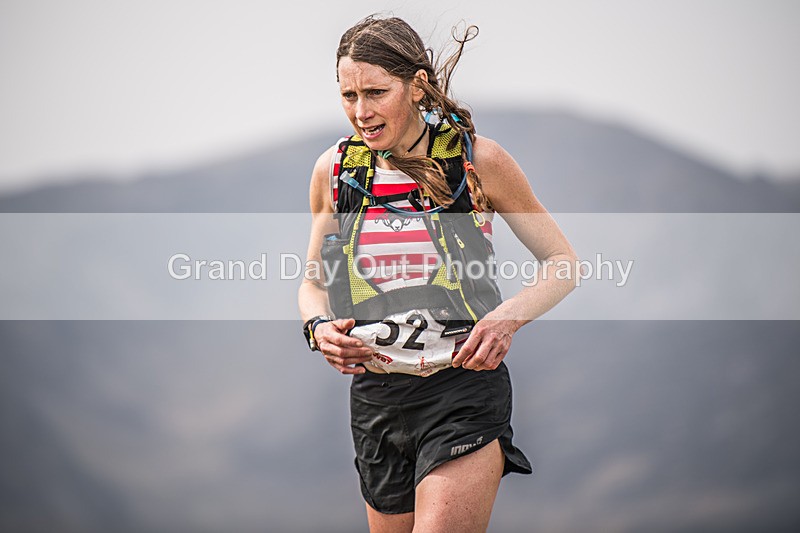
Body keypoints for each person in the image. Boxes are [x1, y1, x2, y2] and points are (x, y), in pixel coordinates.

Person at [298, 15, 579, 532]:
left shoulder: (477, 161)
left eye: (376, 92)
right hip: (375, 400)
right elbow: (313, 284)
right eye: (348, 95)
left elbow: (563, 265)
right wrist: (318, 330)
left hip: (462, 391)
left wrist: (506, 319)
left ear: (417, 85)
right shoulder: (335, 171)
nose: (361, 112)